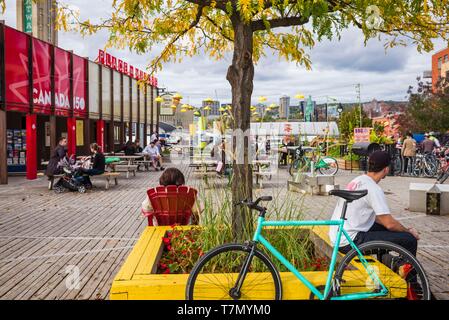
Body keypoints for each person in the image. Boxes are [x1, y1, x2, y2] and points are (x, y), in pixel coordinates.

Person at [329, 151, 419, 256]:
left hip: (338, 236)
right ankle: (406, 270)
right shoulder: (373, 188)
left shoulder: (359, 180)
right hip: (349, 242)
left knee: (388, 231)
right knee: (409, 239)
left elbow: (379, 219)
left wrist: (398, 229)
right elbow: (390, 224)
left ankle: (389, 265)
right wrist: (408, 232)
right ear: (386, 169)